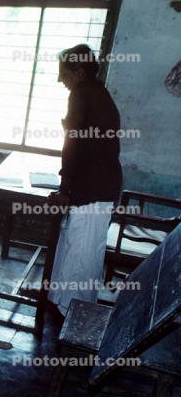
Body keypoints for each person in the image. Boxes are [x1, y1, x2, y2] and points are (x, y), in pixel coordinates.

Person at [48, 44, 122, 316]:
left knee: (81, 252)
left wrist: (65, 187)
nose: (60, 80)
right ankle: (65, 305)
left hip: (93, 187)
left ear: (78, 72)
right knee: (78, 248)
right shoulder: (98, 93)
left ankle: (74, 314)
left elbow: (74, 143)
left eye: (63, 73)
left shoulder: (82, 93)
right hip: (97, 186)